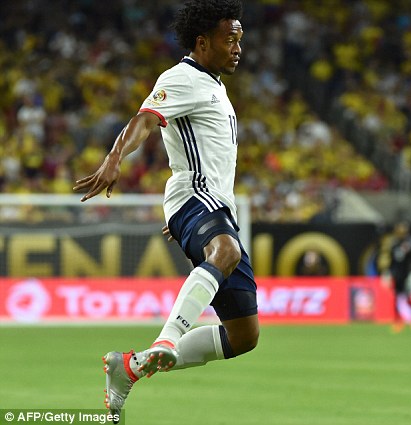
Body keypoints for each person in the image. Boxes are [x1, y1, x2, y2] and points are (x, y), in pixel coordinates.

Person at [72, 1, 258, 421]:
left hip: (211, 207)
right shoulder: (182, 77)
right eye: (230, 39)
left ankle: (130, 368)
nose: (237, 48)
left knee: (244, 336)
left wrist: (197, 220)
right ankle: (168, 339)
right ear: (202, 41)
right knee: (224, 252)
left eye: (240, 40)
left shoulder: (213, 85)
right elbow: (144, 119)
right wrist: (114, 158)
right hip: (194, 196)